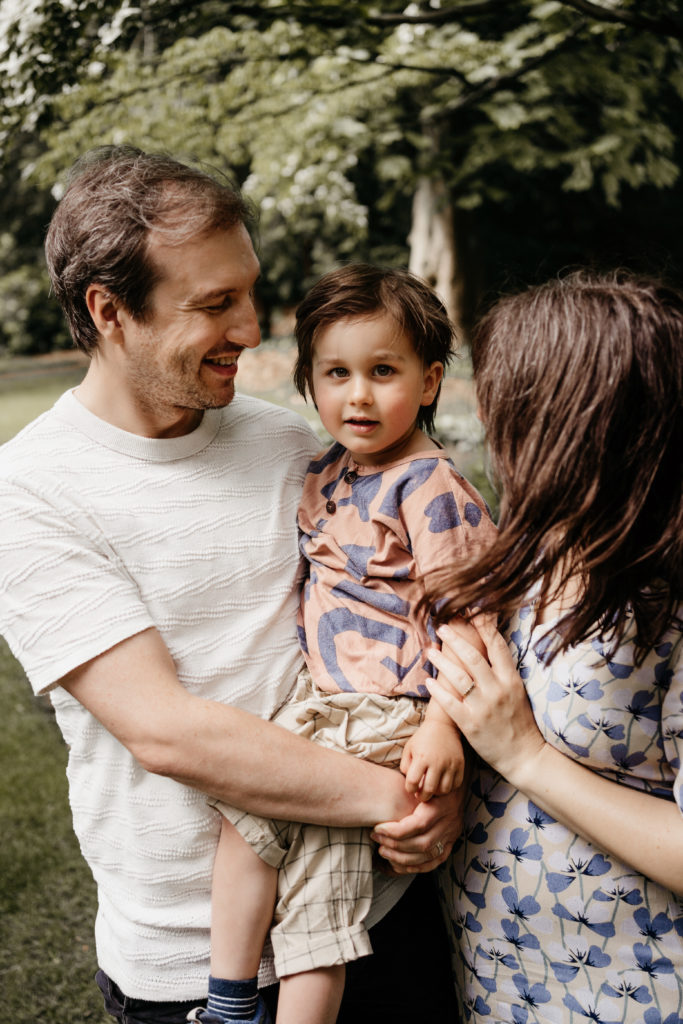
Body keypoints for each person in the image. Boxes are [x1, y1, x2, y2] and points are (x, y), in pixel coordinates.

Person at [0, 146, 464, 1024]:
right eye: (214, 305)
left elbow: (419, 604)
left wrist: (436, 774)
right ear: (109, 311)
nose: (252, 331)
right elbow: (166, 731)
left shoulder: (289, 444)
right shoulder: (30, 492)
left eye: (249, 294)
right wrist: (404, 799)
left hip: (379, 909)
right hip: (196, 961)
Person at [194, 265, 497, 1024]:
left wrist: (442, 725)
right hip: (327, 709)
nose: (357, 395)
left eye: (382, 372)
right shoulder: (329, 467)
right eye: (337, 373)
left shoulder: (428, 488)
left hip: (392, 716)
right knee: (244, 814)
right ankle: (228, 1001)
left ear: (429, 382)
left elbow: (470, 616)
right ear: (309, 381)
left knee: (318, 898)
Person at [421, 270, 683, 1023]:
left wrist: (526, 756)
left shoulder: (667, 603)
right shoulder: (522, 556)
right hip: (497, 986)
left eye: (506, 402)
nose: (485, 419)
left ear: (577, 425)